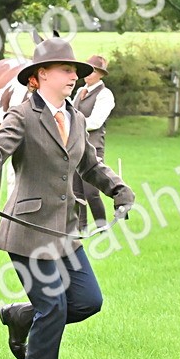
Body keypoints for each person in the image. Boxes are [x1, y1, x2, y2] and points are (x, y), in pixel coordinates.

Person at [0, 36, 135, 359]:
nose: (74, 76)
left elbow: (90, 166)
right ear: (42, 74)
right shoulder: (22, 115)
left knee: (88, 301)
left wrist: (119, 190)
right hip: (28, 231)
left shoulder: (76, 118)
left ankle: (20, 315)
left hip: (65, 231)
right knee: (52, 306)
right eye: (66, 70)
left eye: (75, 71)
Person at [72, 54, 116, 230]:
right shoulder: (79, 91)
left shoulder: (105, 94)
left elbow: (95, 122)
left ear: (101, 74)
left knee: (91, 191)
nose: (88, 74)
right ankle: (80, 227)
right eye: (87, 70)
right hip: (75, 146)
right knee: (76, 191)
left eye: (93, 71)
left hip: (93, 147)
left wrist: (71, 125)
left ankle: (102, 226)